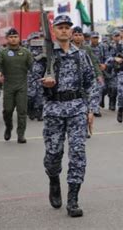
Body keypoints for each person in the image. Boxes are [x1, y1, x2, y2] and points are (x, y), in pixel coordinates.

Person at [40, 15, 97, 217]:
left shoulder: (81, 55)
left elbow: (91, 83)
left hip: (77, 110)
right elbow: (31, 88)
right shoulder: (44, 56)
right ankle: (54, 179)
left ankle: (73, 199)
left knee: (78, 154)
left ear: (71, 32)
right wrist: (43, 84)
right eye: (60, 27)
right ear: (54, 31)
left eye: (67, 28)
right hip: (54, 110)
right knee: (54, 154)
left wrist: (91, 109)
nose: (64, 30)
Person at [0, 28, 33, 143]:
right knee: (8, 110)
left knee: (22, 111)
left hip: (22, 86)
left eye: (15, 37)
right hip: (9, 86)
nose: (13, 39)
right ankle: (8, 127)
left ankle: (21, 135)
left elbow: (32, 66)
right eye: (11, 37)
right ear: (7, 39)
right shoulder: (3, 53)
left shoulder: (25, 52)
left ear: (19, 38)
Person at [26, 32, 46, 121]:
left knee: (40, 95)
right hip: (29, 77)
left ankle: (39, 113)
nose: (36, 41)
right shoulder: (25, 49)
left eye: (37, 39)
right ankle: (30, 109)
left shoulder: (43, 49)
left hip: (40, 76)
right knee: (30, 95)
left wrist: (44, 55)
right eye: (33, 39)